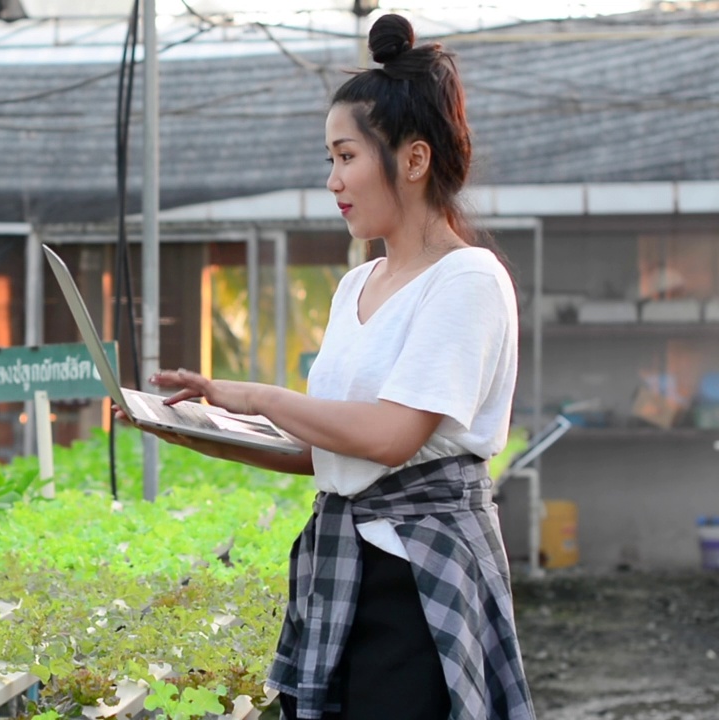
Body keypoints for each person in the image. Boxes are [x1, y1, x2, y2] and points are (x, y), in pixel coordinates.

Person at [117, 13, 534, 720]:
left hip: (419, 576)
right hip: (346, 567)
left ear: (413, 159)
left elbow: (391, 437)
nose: (333, 180)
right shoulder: (356, 286)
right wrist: (196, 428)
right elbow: (329, 454)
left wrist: (253, 394)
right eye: (329, 159)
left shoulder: (467, 279)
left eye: (346, 157)